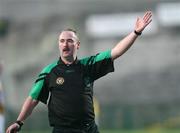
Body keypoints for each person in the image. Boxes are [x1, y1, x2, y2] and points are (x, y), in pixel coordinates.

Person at [6, 11, 152, 133]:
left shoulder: (88, 65)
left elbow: (116, 52)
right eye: (62, 41)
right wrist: (19, 122)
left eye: (69, 40)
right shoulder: (50, 71)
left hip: (88, 130)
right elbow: (33, 99)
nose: (65, 44)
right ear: (58, 44)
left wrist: (136, 32)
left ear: (77, 45)